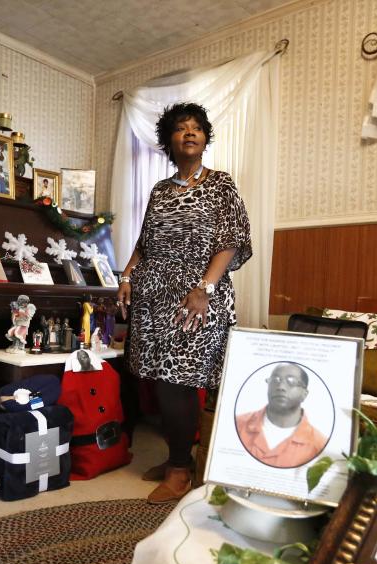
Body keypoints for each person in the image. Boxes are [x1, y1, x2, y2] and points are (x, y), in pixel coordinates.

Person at [117, 102, 252, 503]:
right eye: (180, 128)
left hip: (197, 295)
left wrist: (204, 289)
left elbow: (231, 239)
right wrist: (126, 276)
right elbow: (145, 242)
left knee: (179, 380)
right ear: (169, 140)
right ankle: (179, 456)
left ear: (205, 138)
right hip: (153, 293)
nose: (189, 133)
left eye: (196, 128)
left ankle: (180, 471)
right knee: (160, 378)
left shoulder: (220, 184)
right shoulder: (160, 189)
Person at [235, 364, 327, 468]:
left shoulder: (319, 445)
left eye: (291, 381)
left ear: (304, 394)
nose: (281, 387)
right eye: (275, 380)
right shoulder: (237, 425)